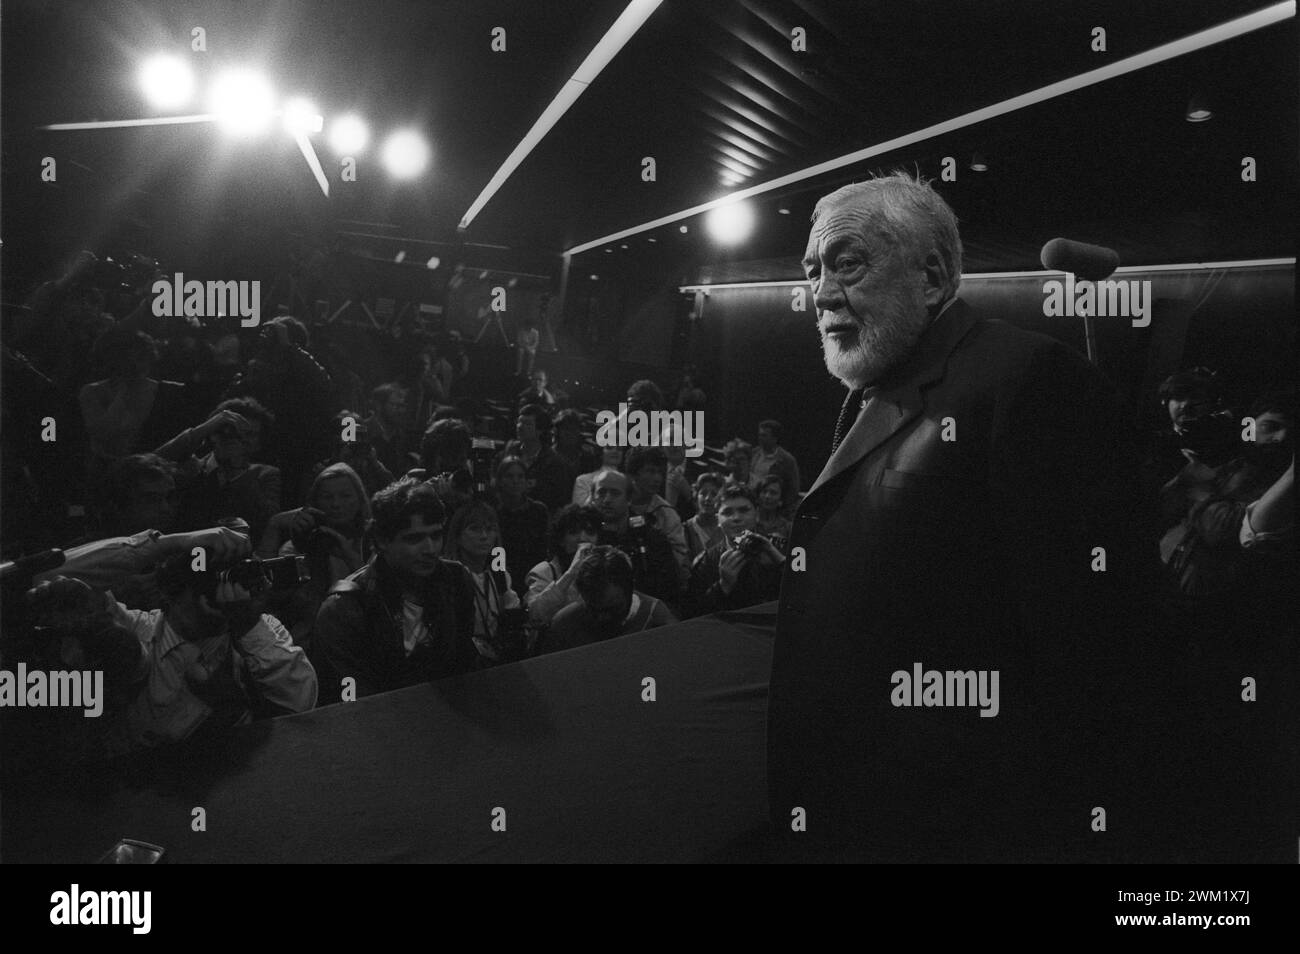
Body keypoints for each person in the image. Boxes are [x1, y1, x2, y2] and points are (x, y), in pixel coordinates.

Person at [767, 172, 1166, 863]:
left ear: (934, 274)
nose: (822, 294)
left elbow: (1100, 655)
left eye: (848, 264)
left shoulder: (1032, 380)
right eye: (812, 273)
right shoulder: (880, 384)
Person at [27, 545, 318, 756]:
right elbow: (52, 570)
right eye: (210, 574)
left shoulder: (257, 628)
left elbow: (301, 705)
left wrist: (249, 624)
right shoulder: (135, 629)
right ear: (174, 589)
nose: (223, 584)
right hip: (138, 792)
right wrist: (167, 543)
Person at [313, 479, 479, 703]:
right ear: (382, 540)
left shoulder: (456, 580)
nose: (430, 549)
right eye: (414, 538)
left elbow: (464, 664)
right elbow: (350, 696)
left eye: (436, 535)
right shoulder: (345, 607)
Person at [259, 462, 371, 653]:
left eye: (345, 496)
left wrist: (350, 557)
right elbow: (265, 599)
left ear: (360, 500)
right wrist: (275, 526)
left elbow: (377, 599)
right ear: (315, 503)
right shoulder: (296, 548)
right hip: (311, 646)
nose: (336, 504)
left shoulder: (374, 542)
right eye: (327, 497)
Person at [533, 546, 677, 656]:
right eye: (593, 609)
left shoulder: (657, 620)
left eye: (612, 609)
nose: (603, 617)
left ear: (630, 588)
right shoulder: (564, 625)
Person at [173, 398, 281, 543]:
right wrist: (205, 429)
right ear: (213, 434)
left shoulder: (266, 475)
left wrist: (237, 469)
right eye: (232, 430)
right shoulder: (191, 466)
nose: (238, 438)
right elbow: (144, 464)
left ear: (258, 444)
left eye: (249, 434)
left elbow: (266, 521)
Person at [443, 500, 525, 663]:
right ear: (458, 536)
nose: (484, 536)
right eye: (475, 529)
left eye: (490, 529)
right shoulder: (448, 577)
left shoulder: (499, 575)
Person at [687, 482, 785, 616]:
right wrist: (723, 586)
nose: (736, 518)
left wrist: (780, 560)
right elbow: (691, 614)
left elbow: (806, 585)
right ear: (718, 520)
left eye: (744, 510)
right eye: (727, 512)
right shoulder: (705, 561)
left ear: (756, 513)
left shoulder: (781, 546)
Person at [590, 470, 679, 605]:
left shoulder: (651, 539)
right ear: (592, 497)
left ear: (629, 498)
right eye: (601, 493)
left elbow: (669, 588)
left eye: (615, 493)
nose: (607, 500)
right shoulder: (582, 536)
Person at [524, 503, 602, 627]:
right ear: (561, 540)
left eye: (590, 532)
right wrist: (572, 572)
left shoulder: (603, 569)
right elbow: (535, 615)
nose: (582, 538)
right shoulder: (543, 571)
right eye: (574, 532)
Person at [624, 447, 690, 586]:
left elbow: (678, 560)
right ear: (633, 474)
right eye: (651, 471)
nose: (658, 478)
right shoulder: (616, 500)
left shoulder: (667, 514)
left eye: (660, 472)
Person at [493, 456, 550, 599]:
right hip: (502, 578)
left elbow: (543, 548)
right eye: (509, 476)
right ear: (500, 480)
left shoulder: (538, 511)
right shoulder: (493, 512)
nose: (515, 481)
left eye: (520, 476)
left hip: (534, 577)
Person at [505, 403, 573, 511]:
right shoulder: (511, 450)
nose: (520, 427)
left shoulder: (554, 461)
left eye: (527, 424)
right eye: (519, 422)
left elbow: (557, 499)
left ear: (539, 430)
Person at [365, 383, 414, 479]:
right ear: (378, 406)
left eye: (402, 406)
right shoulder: (363, 431)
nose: (400, 411)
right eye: (395, 405)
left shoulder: (403, 435)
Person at [751, 419, 802, 498]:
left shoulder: (787, 460)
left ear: (775, 438)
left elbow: (793, 488)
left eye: (764, 435)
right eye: (759, 435)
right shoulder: (753, 453)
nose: (760, 438)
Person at [683, 471, 727, 561]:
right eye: (703, 493)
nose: (708, 498)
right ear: (696, 496)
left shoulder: (726, 525)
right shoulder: (686, 529)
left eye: (714, 494)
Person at [754, 473, 793, 544]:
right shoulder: (749, 522)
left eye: (773, 493)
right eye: (764, 491)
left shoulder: (787, 528)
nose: (767, 496)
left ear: (781, 500)